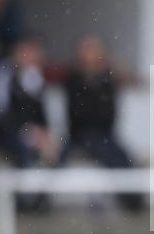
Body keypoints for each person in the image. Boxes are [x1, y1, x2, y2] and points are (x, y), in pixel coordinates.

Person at [61, 34, 143, 212]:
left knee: (123, 158)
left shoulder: (108, 80)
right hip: (81, 135)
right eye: (88, 50)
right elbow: (77, 115)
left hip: (103, 134)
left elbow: (109, 114)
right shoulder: (74, 79)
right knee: (109, 154)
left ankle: (134, 201)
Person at [0, 36, 58, 212]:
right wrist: (28, 132)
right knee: (25, 151)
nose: (30, 57)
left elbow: (41, 114)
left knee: (55, 151)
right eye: (26, 52)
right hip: (5, 134)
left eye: (34, 53)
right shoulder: (4, 75)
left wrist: (45, 134)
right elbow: (2, 114)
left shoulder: (37, 78)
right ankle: (24, 202)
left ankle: (40, 197)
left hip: (31, 135)